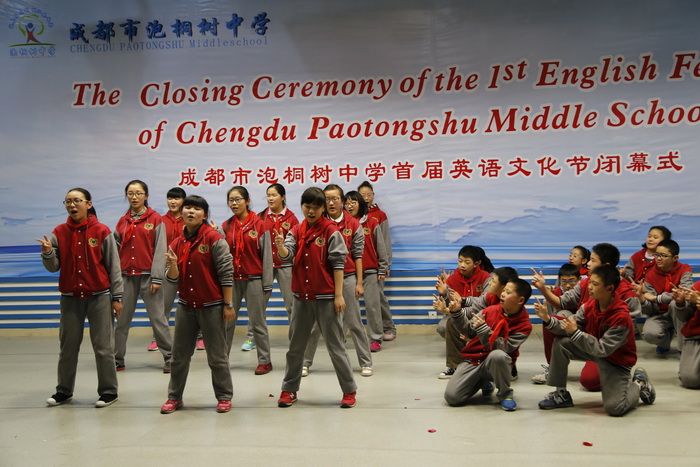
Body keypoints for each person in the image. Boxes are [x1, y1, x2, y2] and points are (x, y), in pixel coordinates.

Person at [38, 188, 123, 408]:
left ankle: (109, 391)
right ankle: (63, 391)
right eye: (68, 201)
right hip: (70, 299)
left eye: (77, 201)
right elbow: (53, 267)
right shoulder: (59, 232)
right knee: (68, 347)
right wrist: (47, 253)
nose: (72, 205)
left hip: (99, 297)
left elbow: (114, 266)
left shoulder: (102, 231)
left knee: (103, 347)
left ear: (88, 204)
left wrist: (117, 297)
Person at [274, 187, 358, 409]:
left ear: (323, 208)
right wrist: (281, 247)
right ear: (302, 206)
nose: (311, 211)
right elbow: (288, 256)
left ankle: (349, 391)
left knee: (336, 347)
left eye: (315, 207)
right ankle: (289, 389)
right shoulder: (296, 231)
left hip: (327, 298)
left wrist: (338, 296)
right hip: (301, 298)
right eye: (307, 206)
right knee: (295, 348)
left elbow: (338, 264)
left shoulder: (331, 231)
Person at [535, 264, 656, 417]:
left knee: (615, 408)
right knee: (561, 343)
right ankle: (561, 394)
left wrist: (576, 332)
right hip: (595, 351)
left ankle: (639, 384)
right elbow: (570, 325)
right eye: (590, 282)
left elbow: (603, 350)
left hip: (616, 362)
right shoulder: (590, 305)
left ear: (610, 288)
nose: (589, 287)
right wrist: (547, 319)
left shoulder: (621, 317)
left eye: (595, 284)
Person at [160, 195, 235, 414]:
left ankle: (224, 397)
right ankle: (174, 397)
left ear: (204, 215)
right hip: (186, 307)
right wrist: (173, 265)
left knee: (217, 356)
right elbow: (172, 278)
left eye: (196, 209)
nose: (191, 212)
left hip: (213, 306)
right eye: (188, 208)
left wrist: (228, 304)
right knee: (179, 357)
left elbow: (226, 273)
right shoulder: (177, 243)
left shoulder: (214, 239)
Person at [532, 242, 641, 391]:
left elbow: (613, 342)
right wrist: (545, 304)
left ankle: (633, 381)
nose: (588, 264)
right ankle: (557, 385)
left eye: (593, 260)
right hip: (589, 340)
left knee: (591, 383)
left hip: (612, 351)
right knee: (556, 329)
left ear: (606, 266)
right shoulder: (587, 287)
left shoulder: (626, 297)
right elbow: (563, 303)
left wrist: (579, 332)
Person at [302, 185, 372, 377]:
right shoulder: (317, 223)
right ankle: (305, 362)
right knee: (316, 325)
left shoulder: (353, 224)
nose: (331, 203)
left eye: (335, 199)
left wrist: (359, 282)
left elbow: (358, 255)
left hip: (348, 277)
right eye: (327, 199)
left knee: (354, 321)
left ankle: (366, 362)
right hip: (324, 279)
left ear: (342, 201)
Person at [437, 278, 533, 411]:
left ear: (520, 300)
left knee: (498, 355)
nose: (503, 294)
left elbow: (504, 348)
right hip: (474, 360)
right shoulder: (489, 311)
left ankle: (505, 394)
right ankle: (483, 382)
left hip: (495, 364)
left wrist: (484, 330)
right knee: (452, 397)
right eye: (503, 291)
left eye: (508, 292)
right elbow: (468, 331)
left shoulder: (524, 325)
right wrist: (457, 313)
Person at [113, 180, 172, 373]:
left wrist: (157, 277)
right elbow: (114, 251)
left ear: (146, 196)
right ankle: (117, 359)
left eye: (138, 193)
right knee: (121, 321)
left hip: (149, 278)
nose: (134, 197)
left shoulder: (155, 219)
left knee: (158, 320)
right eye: (130, 193)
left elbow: (160, 249)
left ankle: (170, 358)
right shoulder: (122, 221)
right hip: (126, 277)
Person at [220, 186, 273, 375]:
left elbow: (267, 256)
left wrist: (267, 283)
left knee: (258, 322)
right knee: (227, 322)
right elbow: (222, 257)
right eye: (231, 200)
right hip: (232, 281)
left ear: (247, 201)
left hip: (254, 279)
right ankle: (221, 359)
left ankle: (265, 361)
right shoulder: (226, 226)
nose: (234, 203)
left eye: (238, 199)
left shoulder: (260, 225)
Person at [435, 266, 518, 379]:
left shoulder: (513, 306)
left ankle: (508, 366)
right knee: (452, 322)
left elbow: (507, 341)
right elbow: (472, 310)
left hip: (497, 339)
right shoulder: (489, 296)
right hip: (484, 327)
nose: (489, 284)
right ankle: (456, 366)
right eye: (460, 261)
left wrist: (475, 337)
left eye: (493, 281)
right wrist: (451, 310)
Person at [149, 187, 197, 351]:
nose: (173, 201)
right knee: (163, 305)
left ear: (183, 200)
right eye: (170, 198)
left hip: (189, 267)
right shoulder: (160, 220)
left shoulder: (190, 219)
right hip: (167, 268)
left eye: (176, 198)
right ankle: (158, 338)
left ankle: (200, 337)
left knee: (195, 303)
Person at [434, 246, 493, 377]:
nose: (462, 265)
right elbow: (449, 305)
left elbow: (484, 302)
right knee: (446, 325)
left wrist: (462, 301)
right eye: (460, 261)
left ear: (477, 263)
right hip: (457, 313)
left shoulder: (486, 277)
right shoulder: (452, 279)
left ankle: (479, 361)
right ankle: (454, 366)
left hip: (478, 314)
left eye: (467, 262)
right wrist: (444, 295)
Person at [345, 190, 388, 359]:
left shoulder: (372, 222)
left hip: (370, 272)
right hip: (350, 273)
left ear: (360, 204)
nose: (349, 206)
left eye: (353, 202)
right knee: (347, 307)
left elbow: (380, 246)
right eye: (347, 203)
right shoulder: (343, 224)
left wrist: (382, 268)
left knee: (372, 306)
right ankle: (341, 337)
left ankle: (376, 338)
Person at [257, 183, 299, 346]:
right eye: (268, 195)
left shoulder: (292, 219)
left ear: (283, 197)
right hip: (265, 267)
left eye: (274, 195)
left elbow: (296, 244)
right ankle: (252, 337)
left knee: (291, 304)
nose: (270, 198)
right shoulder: (260, 217)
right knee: (258, 305)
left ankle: (296, 337)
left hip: (286, 266)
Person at [634, 239, 693, 353]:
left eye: (663, 255)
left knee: (675, 303)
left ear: (675, 258)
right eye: (656, 255)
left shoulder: (685, 269)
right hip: (661, 314)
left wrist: (658, 298)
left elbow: (685, 292)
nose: (658, 258)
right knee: (649, 334)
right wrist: (642, 299)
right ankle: (666, 339)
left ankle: (683, 350)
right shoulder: (650, 275)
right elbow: (652, 310)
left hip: (682, 312)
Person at [358, 181, 396, 342]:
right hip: (357, 267)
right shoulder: (352, 216)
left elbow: (385, 241)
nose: (366, 198)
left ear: (373, 195)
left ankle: (388, 328)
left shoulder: (379, 216)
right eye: (363, 195)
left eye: (369, 194)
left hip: (376, 266)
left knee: (379, 298)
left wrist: (385, 264)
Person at [531, 263, 581, 384]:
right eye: (564, 281)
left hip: (581, 325)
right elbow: (553, 315)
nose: (568, 285)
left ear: (579, 279)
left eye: (572, 281)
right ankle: (552, 367)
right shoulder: (557, 292)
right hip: (564, 325)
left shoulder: (584, 290)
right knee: (552, 320)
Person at [673, 282, 700, 387]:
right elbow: (684, 317)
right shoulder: (697, 286)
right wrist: (681, 303)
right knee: (690, 379)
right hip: (696, 336)